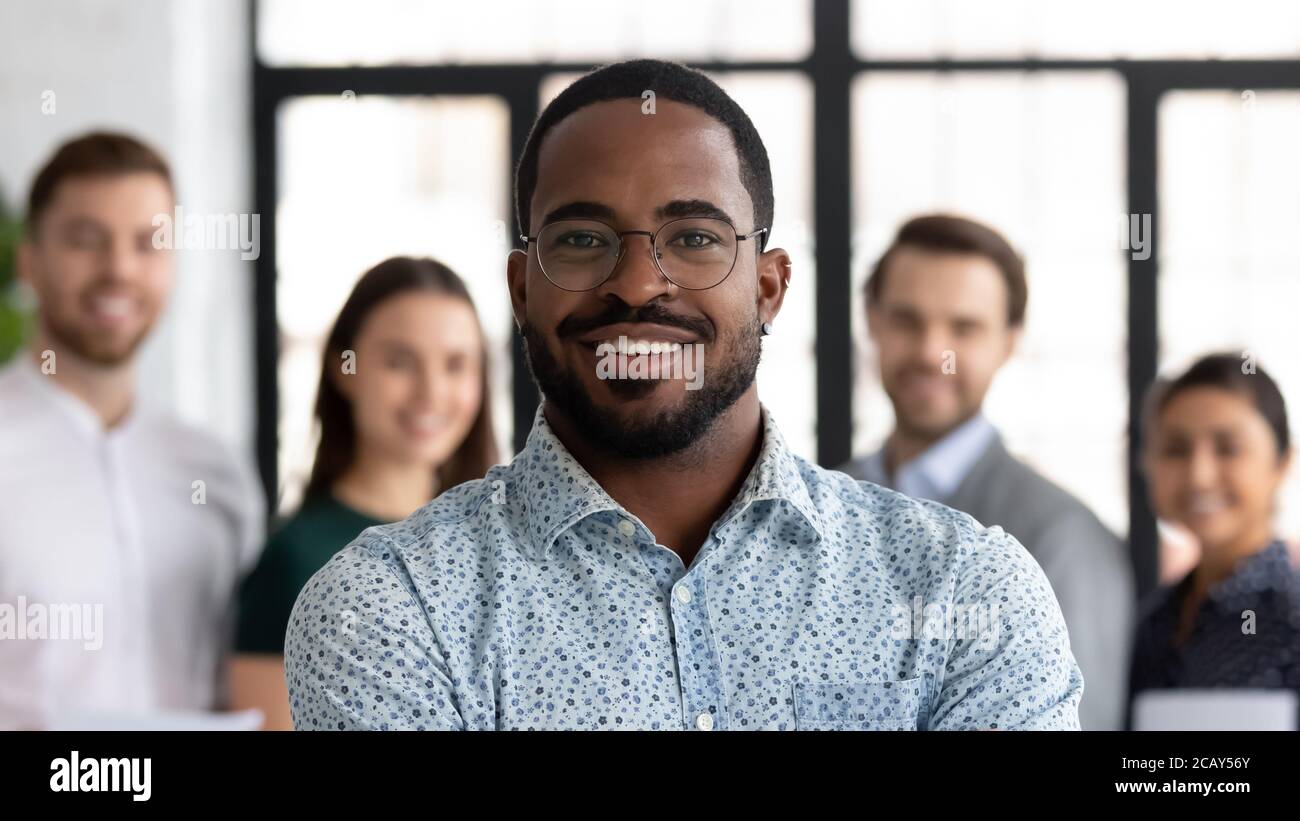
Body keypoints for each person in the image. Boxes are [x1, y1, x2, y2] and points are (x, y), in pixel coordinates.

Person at [285, 60, 1081, 731]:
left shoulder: (966, 589)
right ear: (522, 290)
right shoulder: (388, 608)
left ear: (769, 287)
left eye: (695, 238)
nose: (635, 284)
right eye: (582, 240)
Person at [0, 132, 264, 729]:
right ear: (29, 260)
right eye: (85, 240)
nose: (118, 269)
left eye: (148, 243)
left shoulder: (216, 472)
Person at [839, 214, 1133, 730]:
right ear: (871, 320)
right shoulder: (816, 505)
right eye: (907, 320)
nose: (933, 352)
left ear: (1009, 341)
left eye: (964, 327)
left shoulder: (1061, 537)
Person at [229, 256, 497, 729]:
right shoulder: (294, 561)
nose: (431, 392)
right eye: (399, 362)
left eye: (456, 365)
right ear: (343, 368)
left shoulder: (501, 546)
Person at [1129, 353, 1298, 710]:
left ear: (1281, 462)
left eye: (1229, 449)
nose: (1199, 475)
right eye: (1176, 449)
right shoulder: (1152, 620)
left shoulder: (1291, 618)